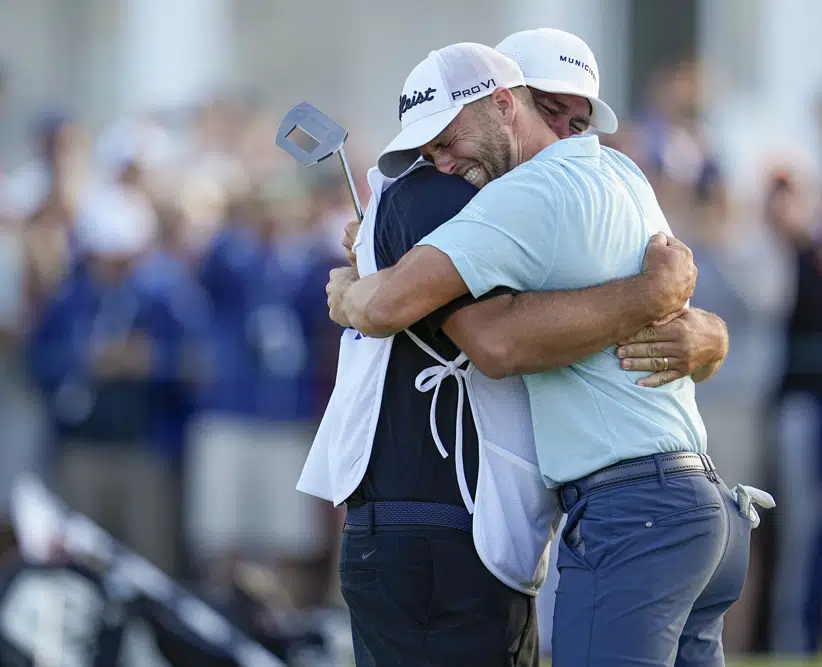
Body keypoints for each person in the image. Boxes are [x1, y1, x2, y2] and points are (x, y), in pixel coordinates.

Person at [326, 42, 771, 667]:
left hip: (632, 513)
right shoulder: (623, 174)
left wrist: (352, 287)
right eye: (556, 109)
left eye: (577, 120)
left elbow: (486, 340)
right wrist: (677, 314)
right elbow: (665, 312)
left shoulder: (528, 194)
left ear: (506, 106)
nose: (443, 166)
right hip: (701, 510)